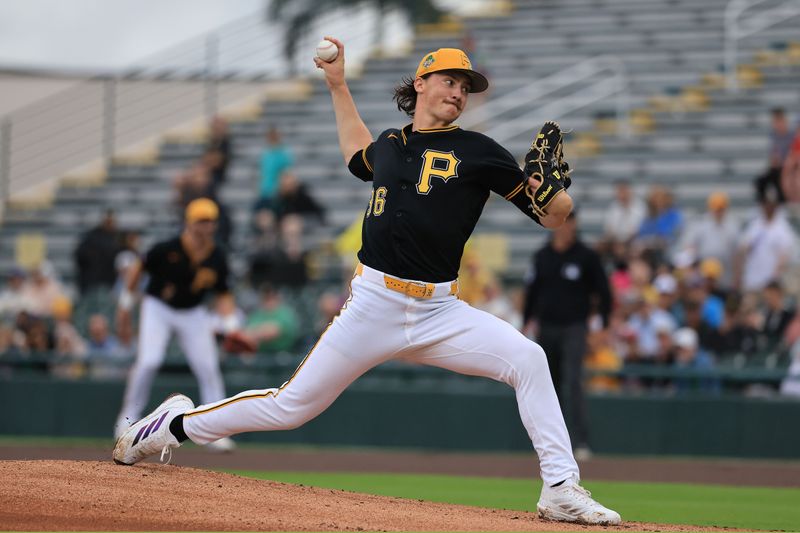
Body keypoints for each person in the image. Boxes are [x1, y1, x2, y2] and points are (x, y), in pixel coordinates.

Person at [113, 41, 620, 526]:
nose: (459, 92)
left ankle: (560, 489)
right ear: (421, 83)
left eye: (467, 86)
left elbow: (552, 217)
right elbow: (358, 154)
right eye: (450, 80)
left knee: (529, 358)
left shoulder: (480, 150)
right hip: (374, 303)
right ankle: (168, 427)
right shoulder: (392, 144)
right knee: (290, 407)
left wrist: (553, 195)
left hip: (440, 311)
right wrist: (337, 85)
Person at [113, 199, 235, 453]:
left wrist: (230, 323)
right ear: (189, 222)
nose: (206, 225)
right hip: (158, 308)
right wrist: (125, 307)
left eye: (210, 220)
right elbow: (139, 269)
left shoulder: (217, 256)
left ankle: (216, 431)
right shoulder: (166, 248)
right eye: (201, 220)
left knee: (208, 368)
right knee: (149, 361)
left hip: (193, 312)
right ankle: (126, 421)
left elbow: (223, 294)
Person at [523, 210, 612, 456]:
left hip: (574, 327)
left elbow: (604, 293)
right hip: (547, 327)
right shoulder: (542, 256)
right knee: (547, 386)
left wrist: (602, 326)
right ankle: (551, 445)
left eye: (569, 222)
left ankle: (580, 441)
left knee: (573, 382)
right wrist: (526, 322)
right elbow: (532, 292)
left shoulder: (586, 256)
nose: (565, 228)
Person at [676, 192, 739, 289]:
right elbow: (689, 248)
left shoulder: (732, 227)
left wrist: (736, 279)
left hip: (725, 276)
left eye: (721, 209)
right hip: (703, 275)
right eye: (716, 209)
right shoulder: (700, 225)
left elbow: (736, 256)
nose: (718, 212)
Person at [74, 209, 120, 296]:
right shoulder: (92, 237)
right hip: (92, 282)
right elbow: (80, 256)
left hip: (108, 282)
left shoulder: (116, 238)